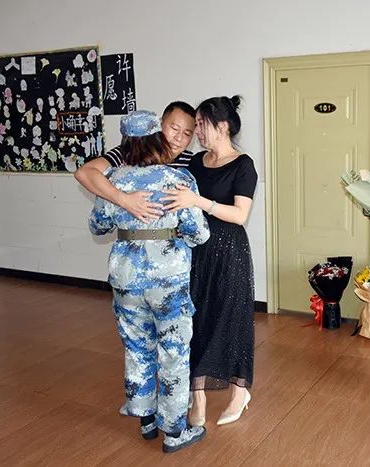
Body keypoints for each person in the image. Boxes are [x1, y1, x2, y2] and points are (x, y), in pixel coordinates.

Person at [88, 110, 210, 453]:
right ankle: (174, 431)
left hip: (125, 279)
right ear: (158, 138)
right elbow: (199, 234)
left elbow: (98, 226)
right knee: (173, 352)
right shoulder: (177, 179)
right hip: (168, 280)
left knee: (137, 347)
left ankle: (146, 419)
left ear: (126, 142)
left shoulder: (112, 180)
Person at [162, 95, 257, 427]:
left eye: (201, 124)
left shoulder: (243, 164)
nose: (197, 131)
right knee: (197, 321)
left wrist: (199, 201)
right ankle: (198, 397)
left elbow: (240, 215)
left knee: (232, 320)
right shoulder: (196, 162)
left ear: (223, 126)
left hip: (230, 252)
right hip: (196, 251)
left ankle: (239, 391)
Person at [76, 101, 198, 222]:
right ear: (159, 124)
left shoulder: (192, 162)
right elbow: (84, 173)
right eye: (174, 128)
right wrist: (124, 200)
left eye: (187, 134)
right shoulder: (131, 153)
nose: (179, 138)